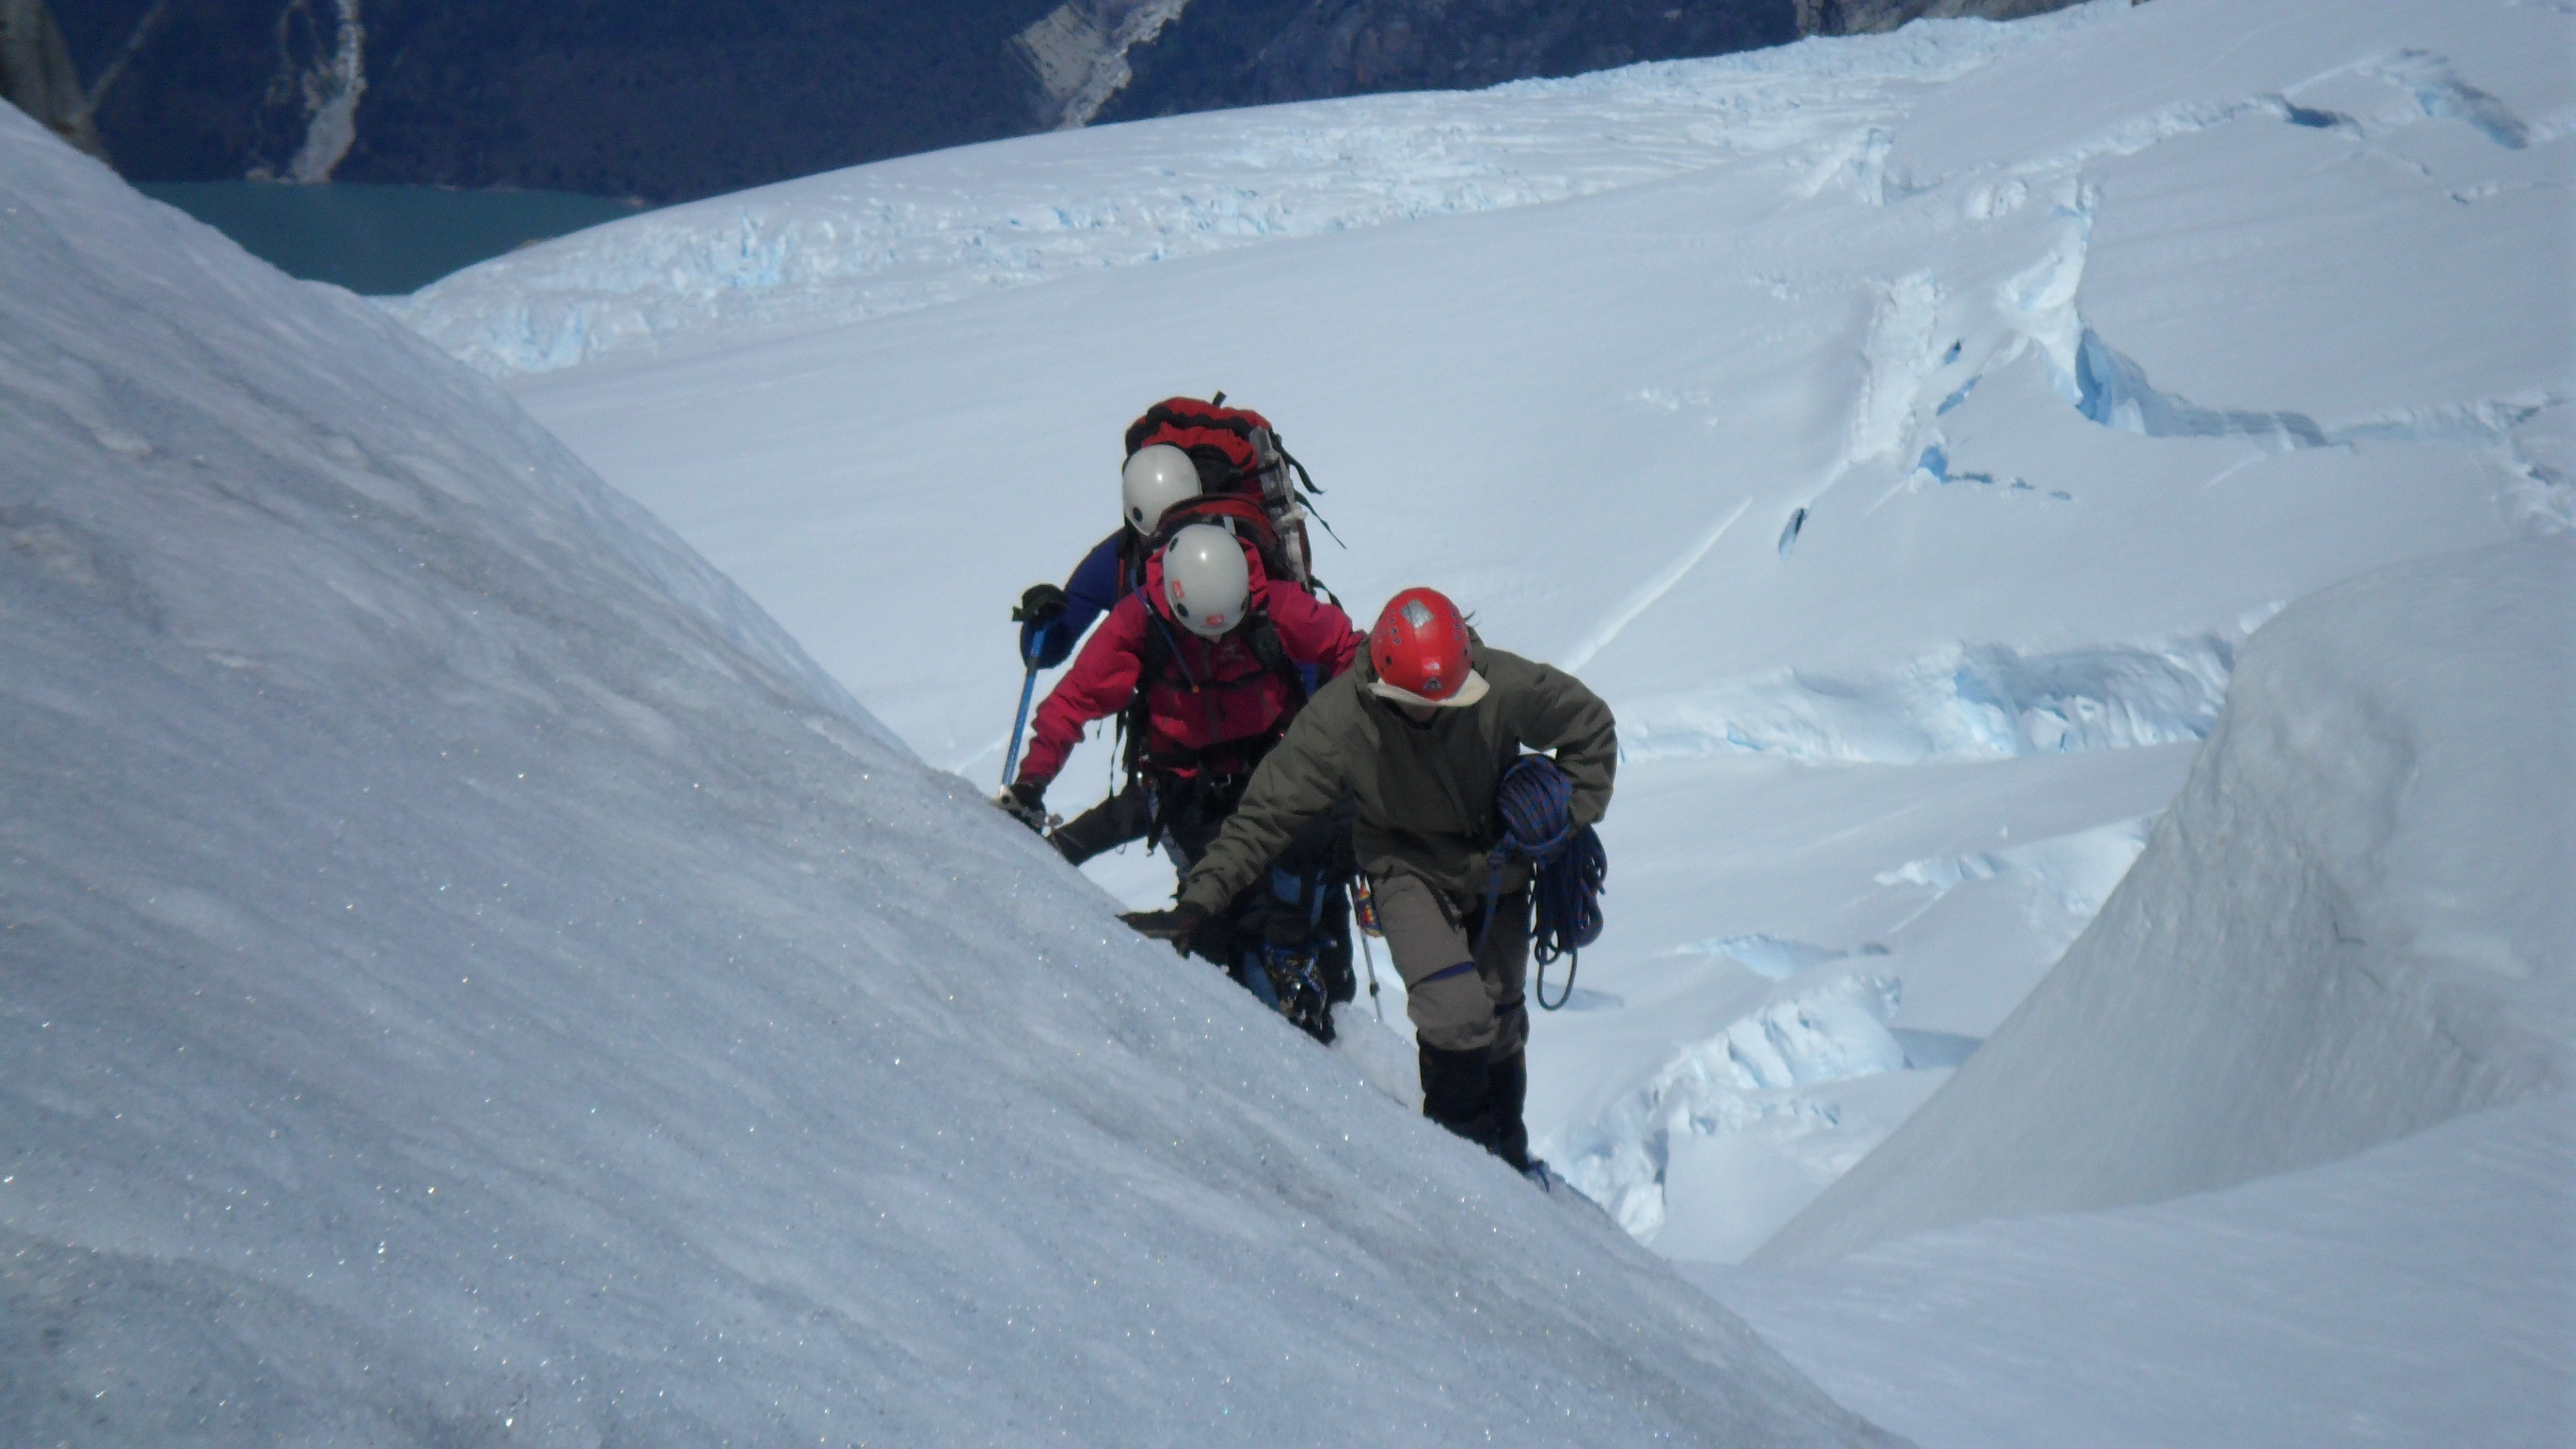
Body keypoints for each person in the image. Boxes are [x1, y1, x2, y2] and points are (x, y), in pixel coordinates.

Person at [1120, 588, 1615, 1183]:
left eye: (1446, 699)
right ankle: (1466, 1167)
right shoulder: (1342, 720)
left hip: (1496, 868)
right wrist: (1201, 898)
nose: (1429, 711)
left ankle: (1508, 1153)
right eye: (1412, 701)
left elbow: (1590, 727)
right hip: (1404, 867)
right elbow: (1267, 812)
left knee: (1502, 1012)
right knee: (1456, 1013)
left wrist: (1563, 816)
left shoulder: (1500, 684)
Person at [1000, 524, 1364, 1034]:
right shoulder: (1142, 621)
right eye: (1205, 633)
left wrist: (1341, 737)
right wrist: (1032, 781)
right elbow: (1075, 699)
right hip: (1192, 791)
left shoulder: (1271, 604)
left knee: (1301, 898)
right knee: (1235, 921)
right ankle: (1294, 1040)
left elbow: (1352, 655)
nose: (1218, 642)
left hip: (1265, 769)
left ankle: (1321, 1028)